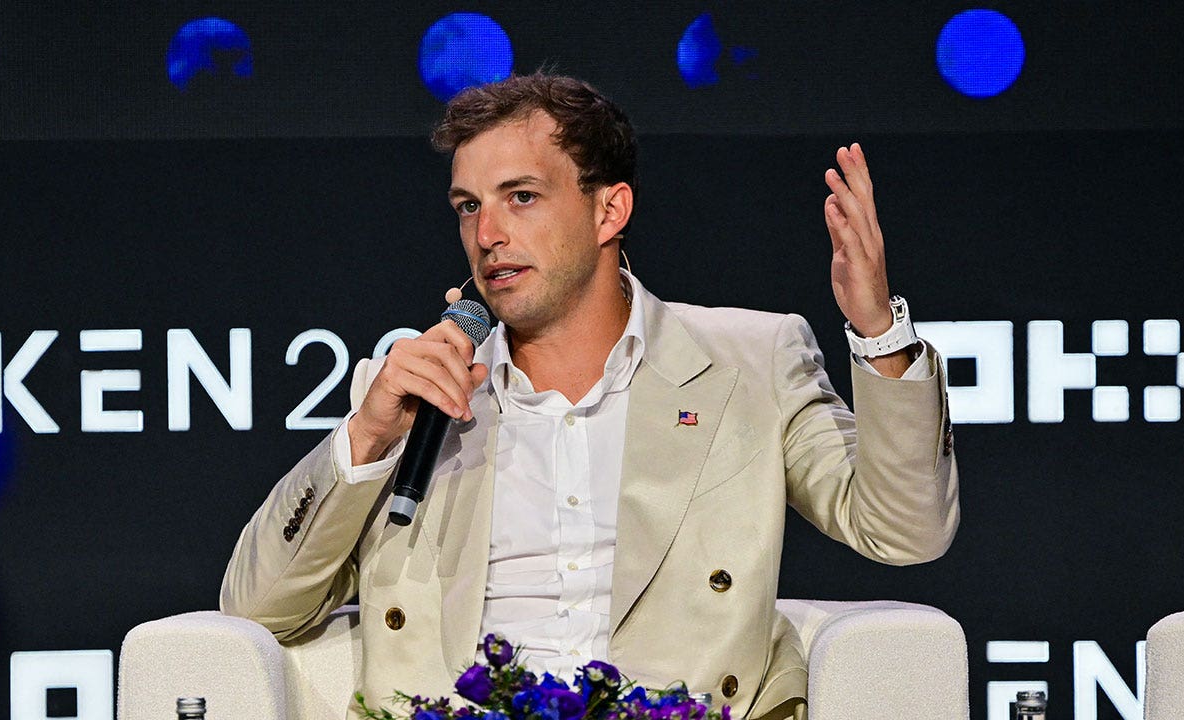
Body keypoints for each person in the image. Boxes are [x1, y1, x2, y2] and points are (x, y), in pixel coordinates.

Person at [221, 73, 958, 720]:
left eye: (521, 197)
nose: (487, 234)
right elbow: (254, 612)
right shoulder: (414, 391)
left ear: (609, 211)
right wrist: (367, 439)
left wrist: (878, 332)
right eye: (468, 206)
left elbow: (905, 531)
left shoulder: (748, 362)